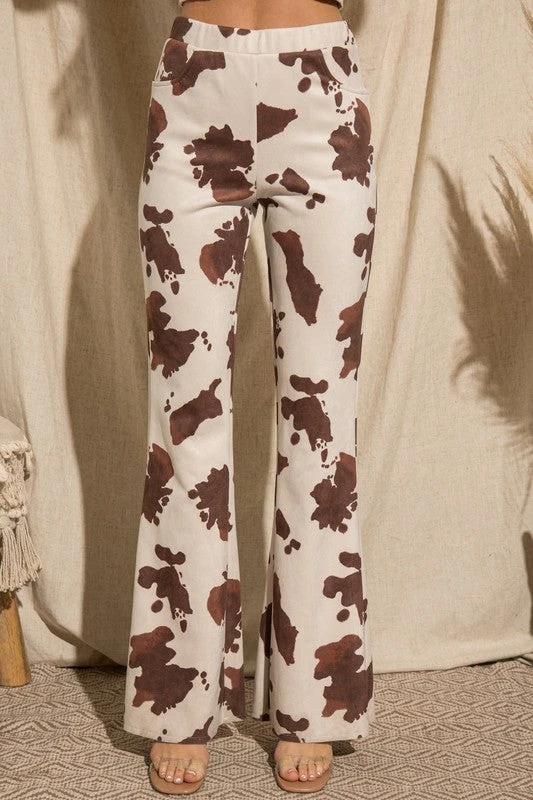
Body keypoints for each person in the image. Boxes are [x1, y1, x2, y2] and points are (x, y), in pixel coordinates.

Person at [123, 0, 377, 793]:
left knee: (320, 416)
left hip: (321, 89)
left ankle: (313, 698)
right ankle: (179, 698)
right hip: (195, 86)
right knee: (185, 411)